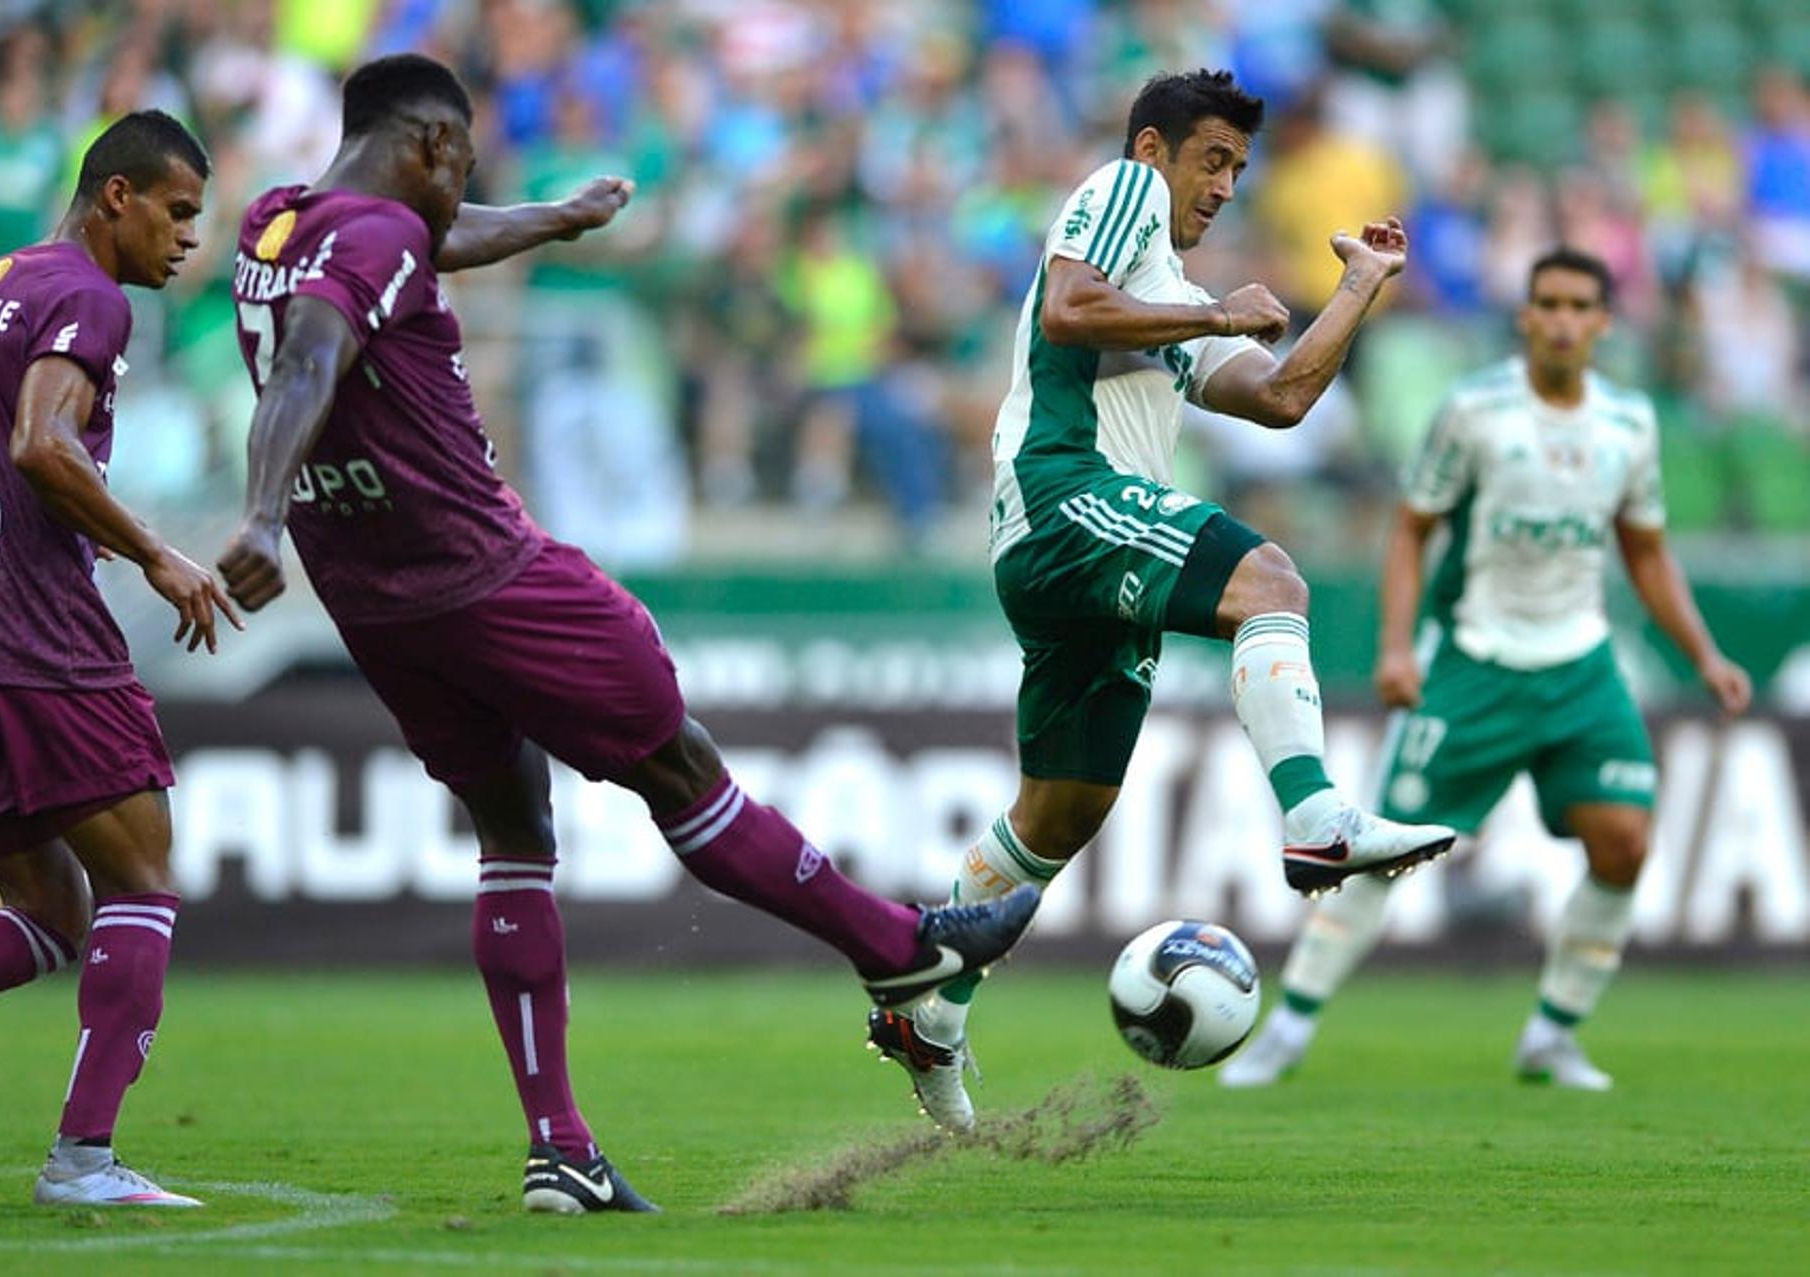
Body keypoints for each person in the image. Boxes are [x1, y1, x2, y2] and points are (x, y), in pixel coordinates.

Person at [213, 54, 1036, 1216]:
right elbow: (309, 359)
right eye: (467, 171)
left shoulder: (279, 223)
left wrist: (555, 218)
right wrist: (255, 513)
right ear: (437, 150)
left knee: (513, 825)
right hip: (489, 573)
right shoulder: (376, 241)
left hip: (379, 600)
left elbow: (415, 249)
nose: (465, 194)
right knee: (681, 763)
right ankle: (897, 948)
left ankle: (560, 1147)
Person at [868, 69, 1456, 1132]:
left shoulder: (1167, 302)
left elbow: (1278, 397)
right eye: (1214, 159)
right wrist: (1211, 306)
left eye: (1239, 165)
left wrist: (1361, 287)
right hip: (1068, 493)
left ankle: (931, 1010)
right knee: (1270, 578)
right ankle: (1318, 817)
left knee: (1056, 818)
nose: (1228, 185)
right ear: (1157, 149)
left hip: (1057, 553)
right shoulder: (1121, 193)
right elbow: (1070, 305)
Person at [1220, 248, 1753, 1092]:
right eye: (1549, 303)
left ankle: (1553, 1033)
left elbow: (1646, 552)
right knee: (1383, 852)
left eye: (1582, 305)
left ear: (1604, 321)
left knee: (1626, 842)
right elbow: (1410, 529)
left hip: (1581, 664)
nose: (1565, 319)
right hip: (1474, 661)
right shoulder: (1474, 411)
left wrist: (1705, 655)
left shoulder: (1629, 425)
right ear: (1526, 316)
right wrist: (1397, 647)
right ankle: (1287, 1028)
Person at [0, 110, 239, 1206]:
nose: (189, 238)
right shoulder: (85, 297)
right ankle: (83, 1160)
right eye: (179, 212)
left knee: (49, 913)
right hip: (29, 617)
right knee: (142, 872)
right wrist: (157, 554)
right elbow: (43, 444)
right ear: (117, 198)